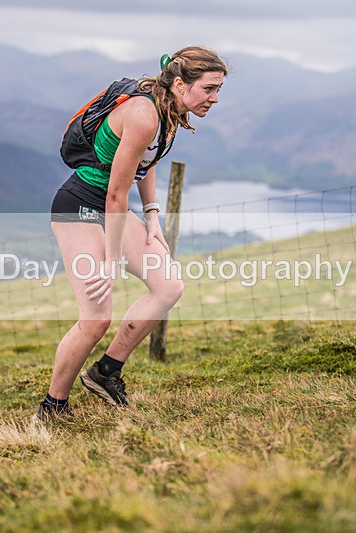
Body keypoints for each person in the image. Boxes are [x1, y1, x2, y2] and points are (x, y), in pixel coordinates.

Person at [37, 46, 228, 420]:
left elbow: (145, 159)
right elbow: (114, 194)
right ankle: (53, 407)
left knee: (168, 287)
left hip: (113, 207)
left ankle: (105, 372)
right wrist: (111, 260)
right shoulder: (143, 113)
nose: (215, 98)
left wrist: (152, 213)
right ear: (180, 84)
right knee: (95, 319)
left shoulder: (168, 109)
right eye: (208, 88)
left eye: (218, 89)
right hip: (80, 205)